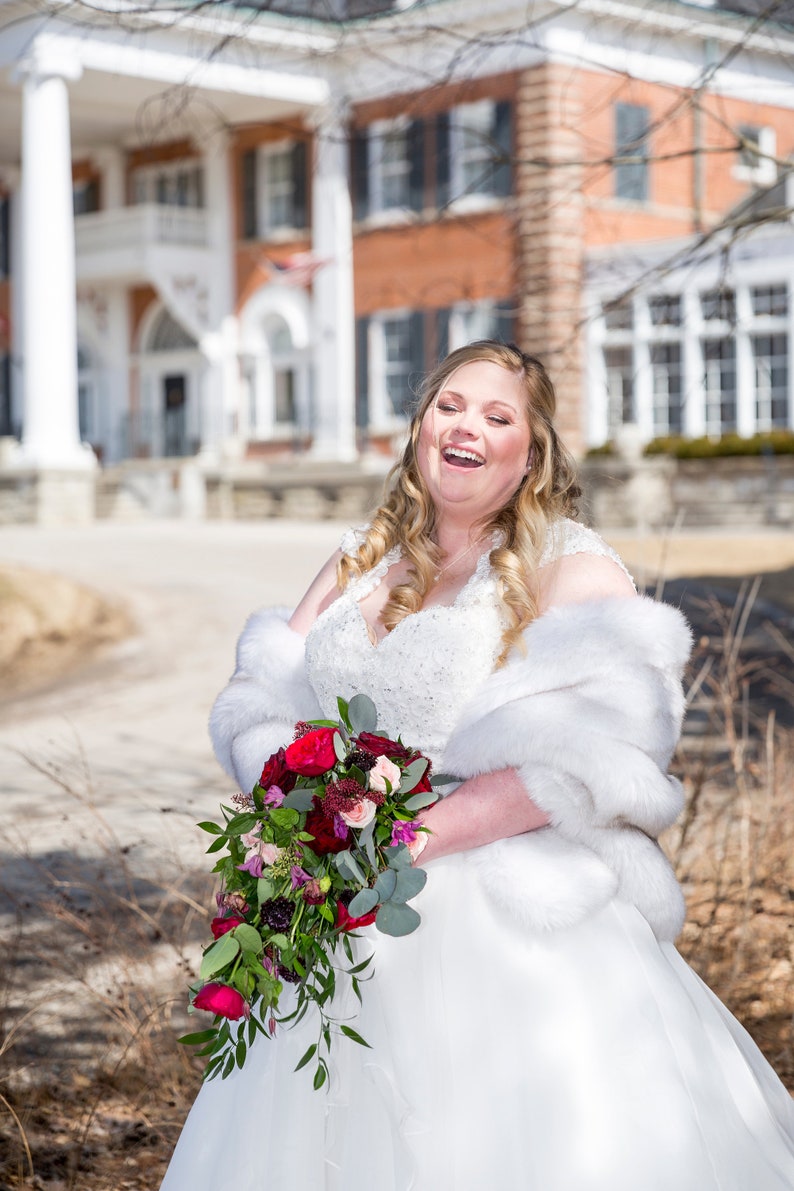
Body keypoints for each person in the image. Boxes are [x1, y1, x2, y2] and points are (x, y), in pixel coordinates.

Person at [162, 340, 794, 1191]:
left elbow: (590, 751)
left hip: (506, 919)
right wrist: (292, 831)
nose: (467, 426)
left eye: (498, 416)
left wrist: (400, 842)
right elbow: (262, 697)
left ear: (530, 453)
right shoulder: (361, 555)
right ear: (422, 424)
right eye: (450, 405)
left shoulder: (570, 567)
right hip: (334, 900)